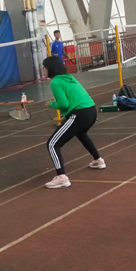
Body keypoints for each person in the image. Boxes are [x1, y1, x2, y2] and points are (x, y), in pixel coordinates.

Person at [43, 56, 104, 188]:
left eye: (44, 68)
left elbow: (64, 104)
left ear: (50, 69)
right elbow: (74, 99)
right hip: (91, 111)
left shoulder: (55, 82)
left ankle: (61, 177)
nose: (43, 70)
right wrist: (67, 117)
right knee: (81, 133)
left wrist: (51, 104)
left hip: (80, 114)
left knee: (52, 144)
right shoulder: (69, 78)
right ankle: (98, 160)